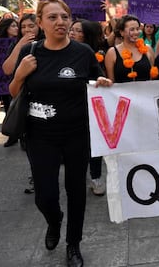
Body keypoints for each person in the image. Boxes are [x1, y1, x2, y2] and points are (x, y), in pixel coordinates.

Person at [8, 0, 113, 267]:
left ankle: (73, 244)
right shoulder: (30, 52)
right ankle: (54, 221)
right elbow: (13, 92)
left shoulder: (83, 53)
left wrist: (101, 82)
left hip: (77, 134)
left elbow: (96, 82)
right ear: (40, 22)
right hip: (40, 136)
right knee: (45, 196)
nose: (60, 22)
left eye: (65, 17)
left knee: (76, 191)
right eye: (52, 17)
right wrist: (20, 74)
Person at [2, 13, 44, 194]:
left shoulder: (46, 44)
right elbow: (7, 69)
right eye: (23, 27)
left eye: (31, 26)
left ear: (40, 26)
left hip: (45, 100)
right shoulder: (16, 44)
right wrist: (21, 43)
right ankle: (36, 175)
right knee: (29, 141)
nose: (27, 30)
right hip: (23, 99)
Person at [68, 19, 108, 197]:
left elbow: (98, 76)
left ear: (86, 35)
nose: (72, 33)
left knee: (94, 143)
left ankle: (96, 176)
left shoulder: (90, 53)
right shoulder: (60, 50)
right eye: (72, 29)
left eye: (77, 30)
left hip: (90, 106)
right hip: (68, 107)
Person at [105, 14, 156, 83]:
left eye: (137, 29)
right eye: (132, 30)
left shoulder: (148, 49)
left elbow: (153, 79)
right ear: (122, 32)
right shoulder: (112, 53)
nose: (136, 32)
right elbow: (111, 82)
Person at [0, 17, 19, 147]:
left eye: (16, 26)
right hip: (1, 81)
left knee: (17, 105)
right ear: (6, 28)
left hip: (15, 78)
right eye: (13, 26)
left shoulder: (20, 42)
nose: (16, 28)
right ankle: (12, 135)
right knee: (9, 106)